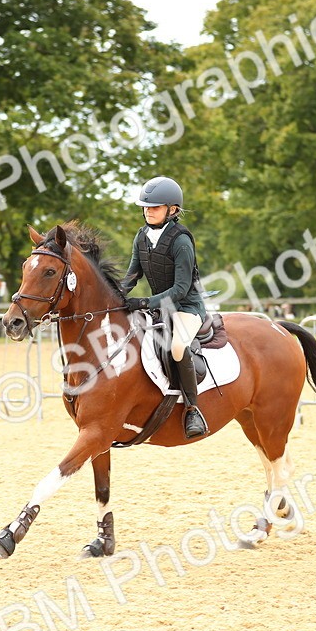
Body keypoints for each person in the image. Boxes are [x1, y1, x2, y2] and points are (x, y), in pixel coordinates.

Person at [122, 175, 209, 439]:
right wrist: (115, 295)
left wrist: (144, 302)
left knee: (178, 347)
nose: (148, 211)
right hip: (161, 307)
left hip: (187, 307)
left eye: (155, 207)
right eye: (146, 207)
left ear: (172, 209)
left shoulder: (181, 241)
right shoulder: (142, 236)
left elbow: (181, 290)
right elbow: (132, 275)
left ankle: (193, 410)